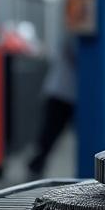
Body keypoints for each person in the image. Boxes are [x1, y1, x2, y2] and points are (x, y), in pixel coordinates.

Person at [27, 38, 76, 178]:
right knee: (49, 135)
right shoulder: (73, 38)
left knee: (50, 135)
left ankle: (35, 166)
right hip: (60, 94)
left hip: (67, 94)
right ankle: (35, 167)